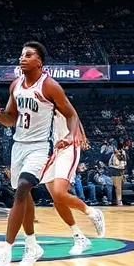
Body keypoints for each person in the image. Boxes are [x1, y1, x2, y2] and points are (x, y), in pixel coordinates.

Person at [0, 42, 84, 266]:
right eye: (21, 55)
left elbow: (70, 113)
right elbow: (11, 119)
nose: (23, 58)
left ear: (39, 62)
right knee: (23, 195)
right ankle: (32, 246)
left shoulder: (49, 86)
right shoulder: (15, 86)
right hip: (18, 146)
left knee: (22, 190)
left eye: (28, 55)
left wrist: (70, 134)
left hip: (40, 147)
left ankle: (6, 254)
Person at [39, 109, 105, 254]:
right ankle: (78, 235)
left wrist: (74, 136)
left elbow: (74, 117)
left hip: (69, 148)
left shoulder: (61, 104)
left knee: (59, 192)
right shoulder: (47, 110)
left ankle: (93, 213)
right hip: (56, 151)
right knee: (56, 198)